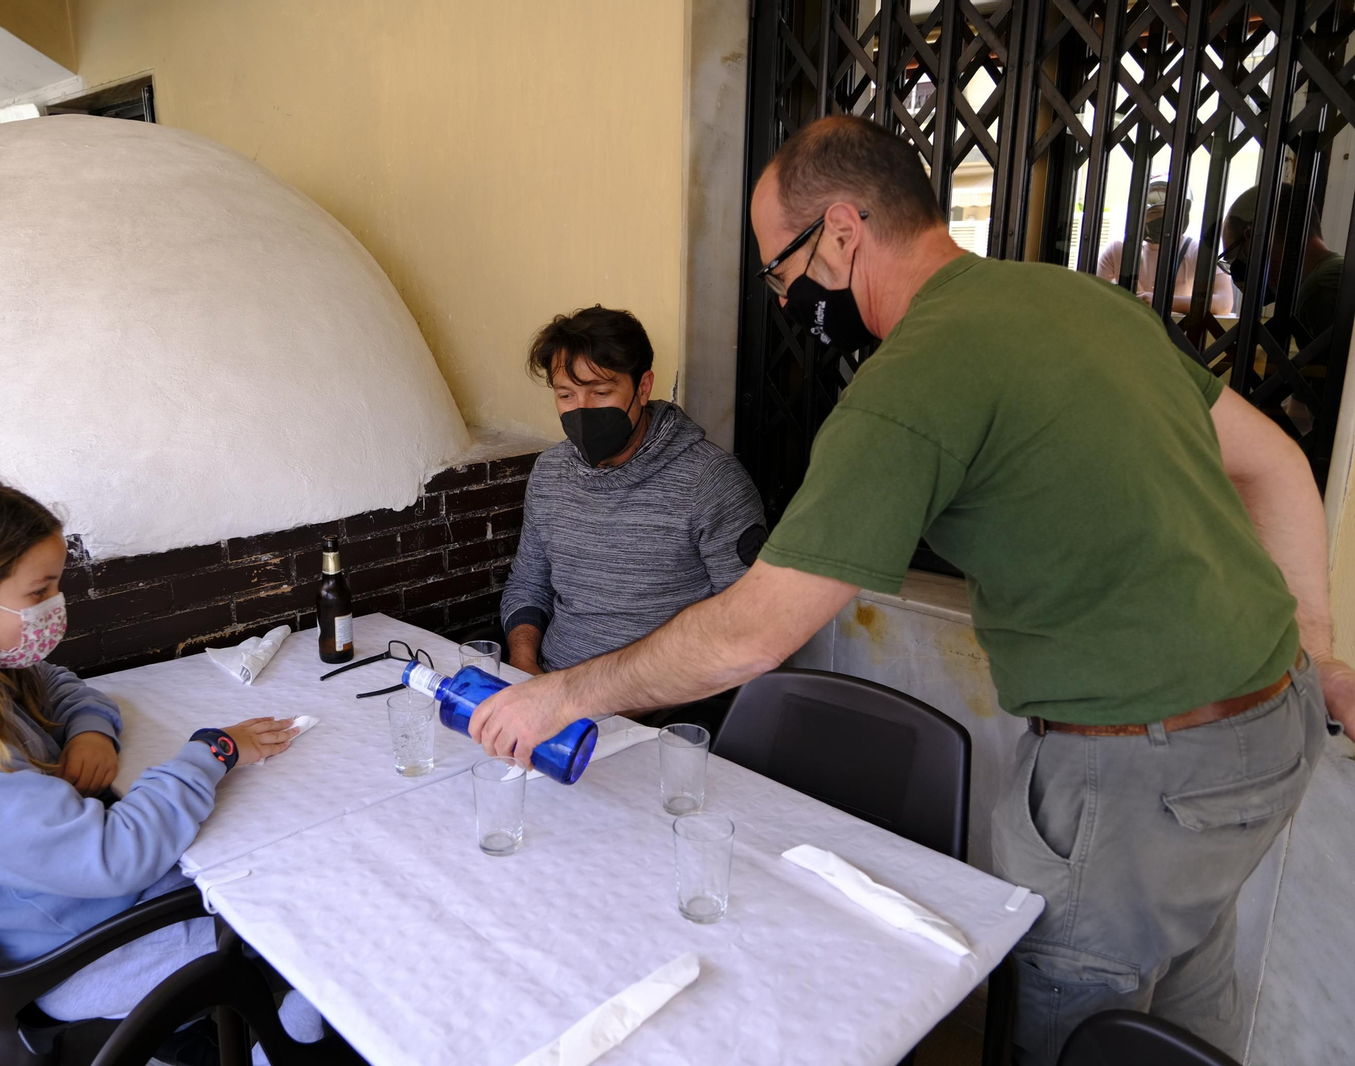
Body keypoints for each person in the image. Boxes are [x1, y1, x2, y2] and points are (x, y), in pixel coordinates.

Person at [468, 116, 1355, 1065]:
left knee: (1067, 1031)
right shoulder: (1075, 300)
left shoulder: (910, 379)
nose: (785, 300)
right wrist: (1318, 650)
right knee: (1180, 1019)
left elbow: (753, 632)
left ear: (842, 233)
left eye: (781, 271)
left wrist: (562, 692)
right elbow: (1277, 466)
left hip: (1136, 772)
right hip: (1275, 726)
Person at [0, 474, 324, 1066]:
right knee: (310, 904)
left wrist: (90, 732)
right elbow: (117, 857)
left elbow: (60, 682)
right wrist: (213, 753)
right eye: (39, 590)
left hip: (54, 911)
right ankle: (284, 1047)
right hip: (84, 946)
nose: (54, 606)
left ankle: (182, 1038)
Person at [498, 306, 767, 724]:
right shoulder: (550, 473)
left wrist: (614, 708)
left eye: (601, 393)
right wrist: (524, 667)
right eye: (566, 395)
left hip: (657, 713)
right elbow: (528, 583)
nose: (581, 410)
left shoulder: (710, 481)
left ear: (643, 387)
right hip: (548, 694)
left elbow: (744, 626)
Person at [1223, 184, 1346, 339]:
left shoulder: (1322, 289)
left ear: (1253, 236)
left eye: (1239, 259)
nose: (1240, 275)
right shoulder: (1329, 277)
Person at [1095, 179, 1234, 315]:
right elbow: (1093, 297)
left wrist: (1162, 301)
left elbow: (1224, 303)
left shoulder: (1196, 250)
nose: (1162, 219)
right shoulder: (1117, 251)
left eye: (1169, 212)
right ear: (1141, 216)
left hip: (1175, 333)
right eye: (1154, 212)